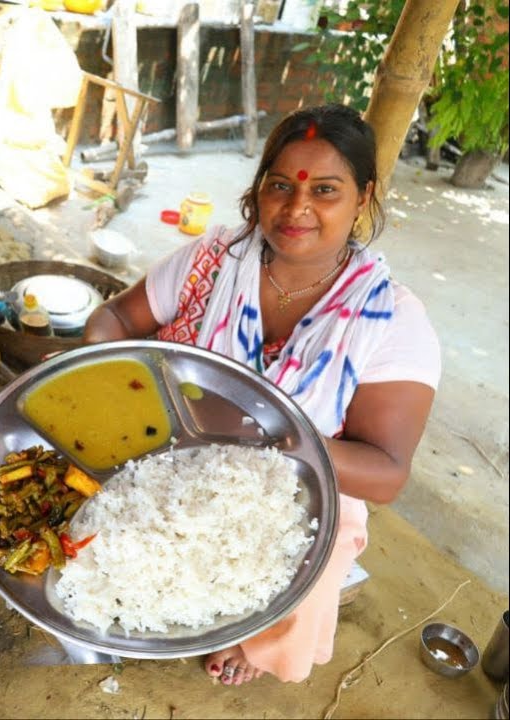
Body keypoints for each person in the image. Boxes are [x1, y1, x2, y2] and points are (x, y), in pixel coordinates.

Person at [82, 104, 439, 685]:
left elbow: (385, 472)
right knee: (97, 523)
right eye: (280, 186)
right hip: (172, 445)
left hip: (296, 489)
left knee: (313, 558)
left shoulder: (390, 319)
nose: (297, 208)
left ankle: (260, 642)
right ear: (259, 189)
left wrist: (254, 433)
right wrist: (107, 382)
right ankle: (166, 601)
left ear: (364, 197)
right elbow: (115, 319)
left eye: (325, 190)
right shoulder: (212, 260)